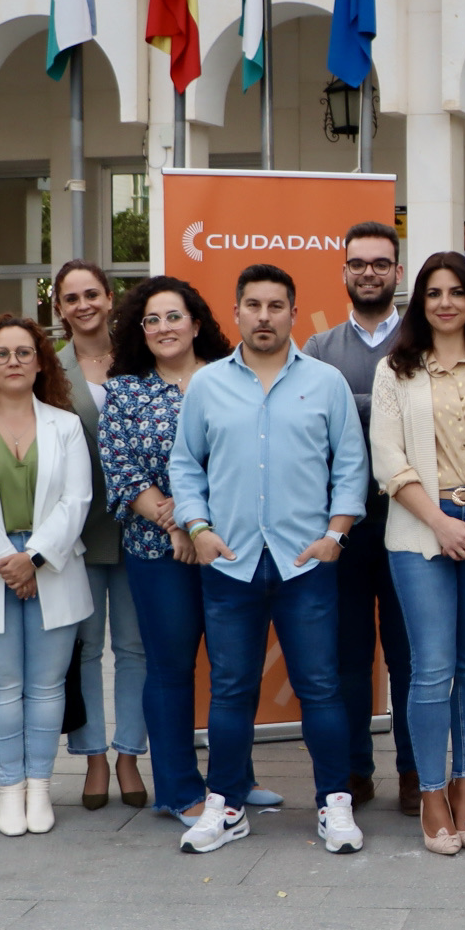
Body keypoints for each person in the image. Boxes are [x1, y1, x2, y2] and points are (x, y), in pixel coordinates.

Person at [168, 264, 368, 855]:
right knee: (231, 690)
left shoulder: (326, 382)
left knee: (321, 688)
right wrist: (197, 527)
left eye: (275, 305)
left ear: (293, 312)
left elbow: (350, 465)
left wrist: (336, 533)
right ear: (236, 313)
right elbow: (185, 465)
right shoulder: (207, 385)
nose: (263, 316)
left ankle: (335, 804)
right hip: (230, 562)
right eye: (252, 305)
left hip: (305, 564)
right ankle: (225, 806)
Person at [372, 253, 465, 855]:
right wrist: (441, 523)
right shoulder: (395, 372)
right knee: (432, 669)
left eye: (456, 292)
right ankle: (431, 793)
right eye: (433, 292)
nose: (445, 303)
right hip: (419, 530)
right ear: (420, 302)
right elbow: (388, 459)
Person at [0, 315, 96, 838]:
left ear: (40, 361)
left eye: (24, 352)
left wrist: (37, 557)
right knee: (0, 686)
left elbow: (78, 500)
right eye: (2, 353)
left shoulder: (65, 424)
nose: (13, 362)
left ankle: (40, 788)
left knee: (48, 686)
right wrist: (9, 559)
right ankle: (10, 789)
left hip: (52, 563)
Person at [100, 277, 236, 833]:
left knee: (233, 671)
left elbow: (248, 460)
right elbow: (124, 469)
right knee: (171, 669)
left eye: (173, 316)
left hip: (229, 549)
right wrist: (179, 522)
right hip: (158, 553)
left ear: (197, 322)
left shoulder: (232, 380)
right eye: (151, 320)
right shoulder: (127, 391)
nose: (162, 328)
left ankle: (234, 781)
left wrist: (199, 524)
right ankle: (180, 789)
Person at [304, 221, 417, 814]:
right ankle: (353, 769)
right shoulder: (318, 349)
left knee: (409, 655)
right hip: (343, 527)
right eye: (358, 263)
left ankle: (413, 771)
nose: (369, 272)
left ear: (398, 272)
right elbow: (311, 422)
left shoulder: (421, 340)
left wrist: (350, 406)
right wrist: (387, 406)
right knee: (347, 656)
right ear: (344, 272)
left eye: (381, 263)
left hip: (411, 522)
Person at [53, 260, 147, 811]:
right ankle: (92, 758)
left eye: (93, 294)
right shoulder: (50, 368)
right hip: (78, 533)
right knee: (84, 648)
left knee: (134, 648)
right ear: (60, 308)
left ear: (110, 299)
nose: (84, 304)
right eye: (72, 297)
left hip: (140, 528)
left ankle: (130, 754)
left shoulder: (139, 357)